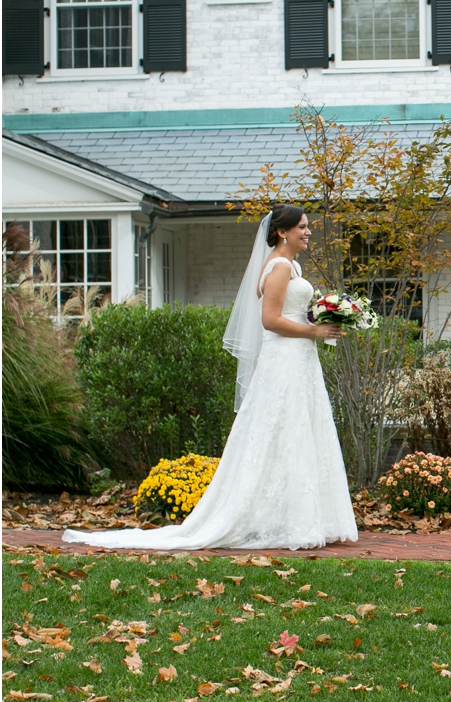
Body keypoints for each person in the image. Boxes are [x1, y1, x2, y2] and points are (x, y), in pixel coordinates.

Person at [63, 206, 358, 551]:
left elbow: (291, 312)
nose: (308, 232)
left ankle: (303, 517)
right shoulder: (278, 267)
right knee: (282, 428)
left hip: (300, 359)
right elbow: (270, 320)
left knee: (299, 430)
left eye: (308, 227)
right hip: (284, 360)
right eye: (303, 227)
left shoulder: (293, 266)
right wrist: (314, 330)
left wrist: (326, 317)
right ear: (282, 232)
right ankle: (279, 521)